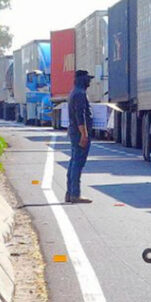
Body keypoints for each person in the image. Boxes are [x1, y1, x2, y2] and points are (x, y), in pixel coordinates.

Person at [66, 70, 93, 204]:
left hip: (74, 131)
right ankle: (75, 194)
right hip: (78, 132)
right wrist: (84, 134)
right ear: (82, 79)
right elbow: (80, 115)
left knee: (74, 162)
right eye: (88, 79)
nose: (90, 82)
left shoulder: (74, 93)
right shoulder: (80, 94)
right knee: (77, 163)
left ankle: (70, 193)